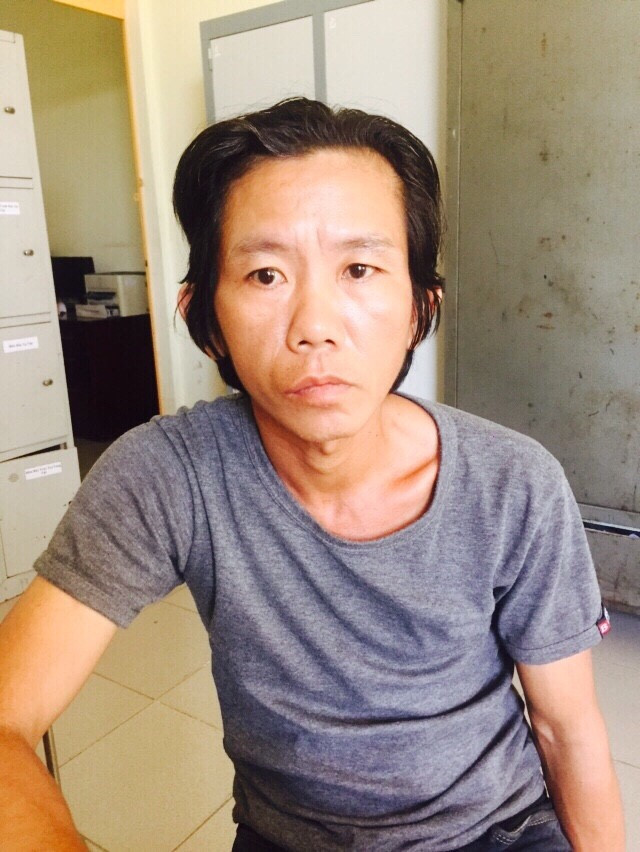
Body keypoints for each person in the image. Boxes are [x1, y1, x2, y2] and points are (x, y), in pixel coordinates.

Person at [0, 98, 625, 851]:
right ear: (206, 320)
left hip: (497, 833)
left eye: (359, 269)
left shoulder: (514, 484)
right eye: (266, 274)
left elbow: (566, 727)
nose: (315, 327)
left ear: (420, 308)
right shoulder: (168, 475)